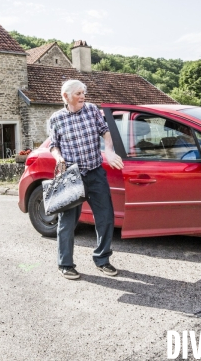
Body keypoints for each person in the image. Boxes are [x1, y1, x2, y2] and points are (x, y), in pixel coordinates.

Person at [47, 79, 124, 280]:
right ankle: (65, 264)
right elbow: (53, 145)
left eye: (84, 92)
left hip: (95, 172)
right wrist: (59, 157)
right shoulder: (56, 119)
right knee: (67, 222)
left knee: (106, 217)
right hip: (72, 177)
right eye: (78, 93)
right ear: (66, 96)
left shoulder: (91, 110)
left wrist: (108, 150)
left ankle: (102, 259)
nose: (83, 96)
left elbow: (105, 131)